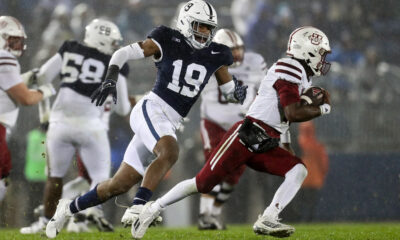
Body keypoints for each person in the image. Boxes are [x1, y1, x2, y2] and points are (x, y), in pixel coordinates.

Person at [45, 0, 248, 238]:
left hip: (169, 121)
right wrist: (110, 78)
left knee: (118, 185)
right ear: (185, 22)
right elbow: (122, 53)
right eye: (199, 26)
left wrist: (237, 93)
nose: (204, 32)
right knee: (170, 151)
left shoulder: (216, 53)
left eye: (208, 28)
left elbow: (228, 91)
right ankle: (138, 206)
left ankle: (67, 208)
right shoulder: (167, 38)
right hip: (151, 109)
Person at [131, 26, 333, 239]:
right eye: (320, 53)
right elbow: (292, 111)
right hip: (246, 136)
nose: (322, 60)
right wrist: (321, 109)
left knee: (298, 170)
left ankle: (268, 218)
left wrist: (286, 144)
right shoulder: (290, 68)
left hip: (266, 142)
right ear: (307, 51)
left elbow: (283, 115)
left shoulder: (299, 74)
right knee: (202, 183)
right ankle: (152, 209)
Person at [19, 19, 131, 234]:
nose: (116, 47)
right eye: (114, 42)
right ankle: (85, 214)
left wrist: (30, 80)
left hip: (60, 123)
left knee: (55, 177)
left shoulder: (71, 48)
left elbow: (42, 76)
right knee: (100, 177)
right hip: (91, 126)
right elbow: (123, 108)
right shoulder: (115, 62)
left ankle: (45, 221)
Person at [198, 28, 266, 230]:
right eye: (231, 50)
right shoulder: (208, 62)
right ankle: (205, 215)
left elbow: (266, 90)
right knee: (213, 168)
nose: (237, 54)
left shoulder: (255, 62)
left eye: (239, 49)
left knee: (235, 174)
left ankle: (215, 213)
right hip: (214, 122)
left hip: (242, 126)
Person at [0, 15, 55, 202]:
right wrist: (43, 91)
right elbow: (25, 98)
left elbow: (7, 86)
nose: (17, 45)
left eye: (18, 41)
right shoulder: (5, 58)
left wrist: (25, 78)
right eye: (13, 40)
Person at [296, 121, 329, 222]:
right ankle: (309, 220)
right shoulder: (317, 145)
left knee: (299, 202)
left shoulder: (297, 144)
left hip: (300, 179)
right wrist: (322, 175)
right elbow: (323, 162)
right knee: (311, 203)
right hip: (314, 178)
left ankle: (300, 219)